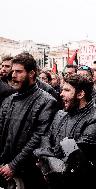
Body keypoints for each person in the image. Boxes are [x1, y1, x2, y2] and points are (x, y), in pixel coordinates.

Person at [34, 74, 96, 189]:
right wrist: (47, 160)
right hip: (55, 181)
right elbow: (46, 138)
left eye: (66, 90)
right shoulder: (61, 114)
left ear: (80, 94)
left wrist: (46, 158)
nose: (61, 94)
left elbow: (77, 154)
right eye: (62, 89)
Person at [0, 52, 58, 189]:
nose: (13, 75)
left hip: (29, 172)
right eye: (13, 71)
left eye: (19, 71)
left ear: (31, 73)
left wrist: (14, 165)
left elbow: (38, 137)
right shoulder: (9, 100)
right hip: (4, 170)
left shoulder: (47, 101)